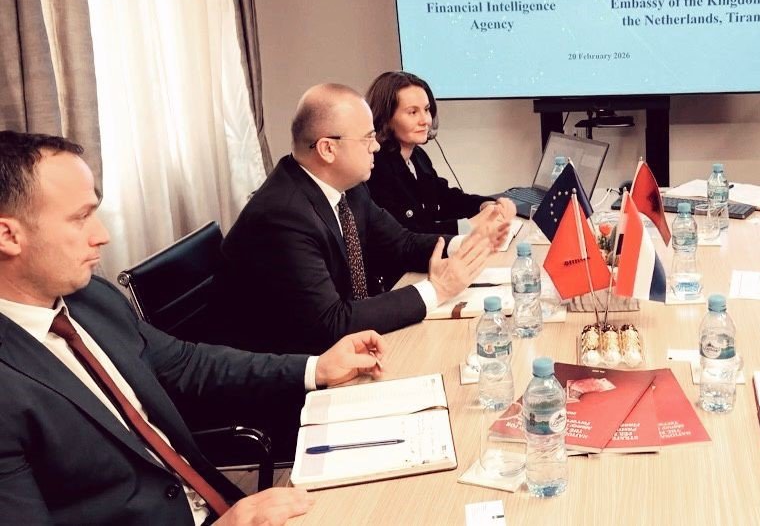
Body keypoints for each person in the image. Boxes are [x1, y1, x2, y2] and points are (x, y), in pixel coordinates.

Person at [0, 130, 392, 525]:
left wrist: (315, 367)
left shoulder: (91, 298)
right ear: (7, 235)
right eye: (81, 217)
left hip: (218, 502)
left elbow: (187, 364)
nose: (102, 235)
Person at [217, 83, 505, 356]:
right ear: (328, 149)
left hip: (341, 346)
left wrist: (468, 244)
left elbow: (401, 243)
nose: (376, 146)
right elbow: (331, 323)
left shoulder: (349, 187)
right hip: (288, 369)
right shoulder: (282, 216)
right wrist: (437, 289)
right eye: (367, 137)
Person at [365, 71, 517, 235]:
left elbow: (445, 198)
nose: (425, 120)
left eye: (427, 109)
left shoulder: (418, 156)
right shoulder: (375, 168)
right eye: (413, 112)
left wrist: (484, 205)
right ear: (386, 117)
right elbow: (408, 236)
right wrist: (470, 225)